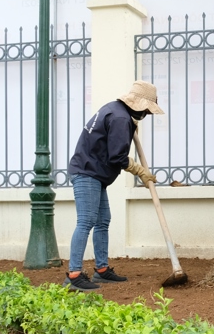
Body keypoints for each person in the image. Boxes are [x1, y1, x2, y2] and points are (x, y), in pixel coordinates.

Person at [63, 81, 165, 292]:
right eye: (147, 110)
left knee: (103, 220)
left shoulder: (114, 110)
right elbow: (117, 156)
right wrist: (141, 172)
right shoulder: (120, 118)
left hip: (93, 172)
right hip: (87, 172)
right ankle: (73, 275)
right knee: (87, 221)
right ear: (141, 105)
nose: (147, 113)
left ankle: (101, 270)